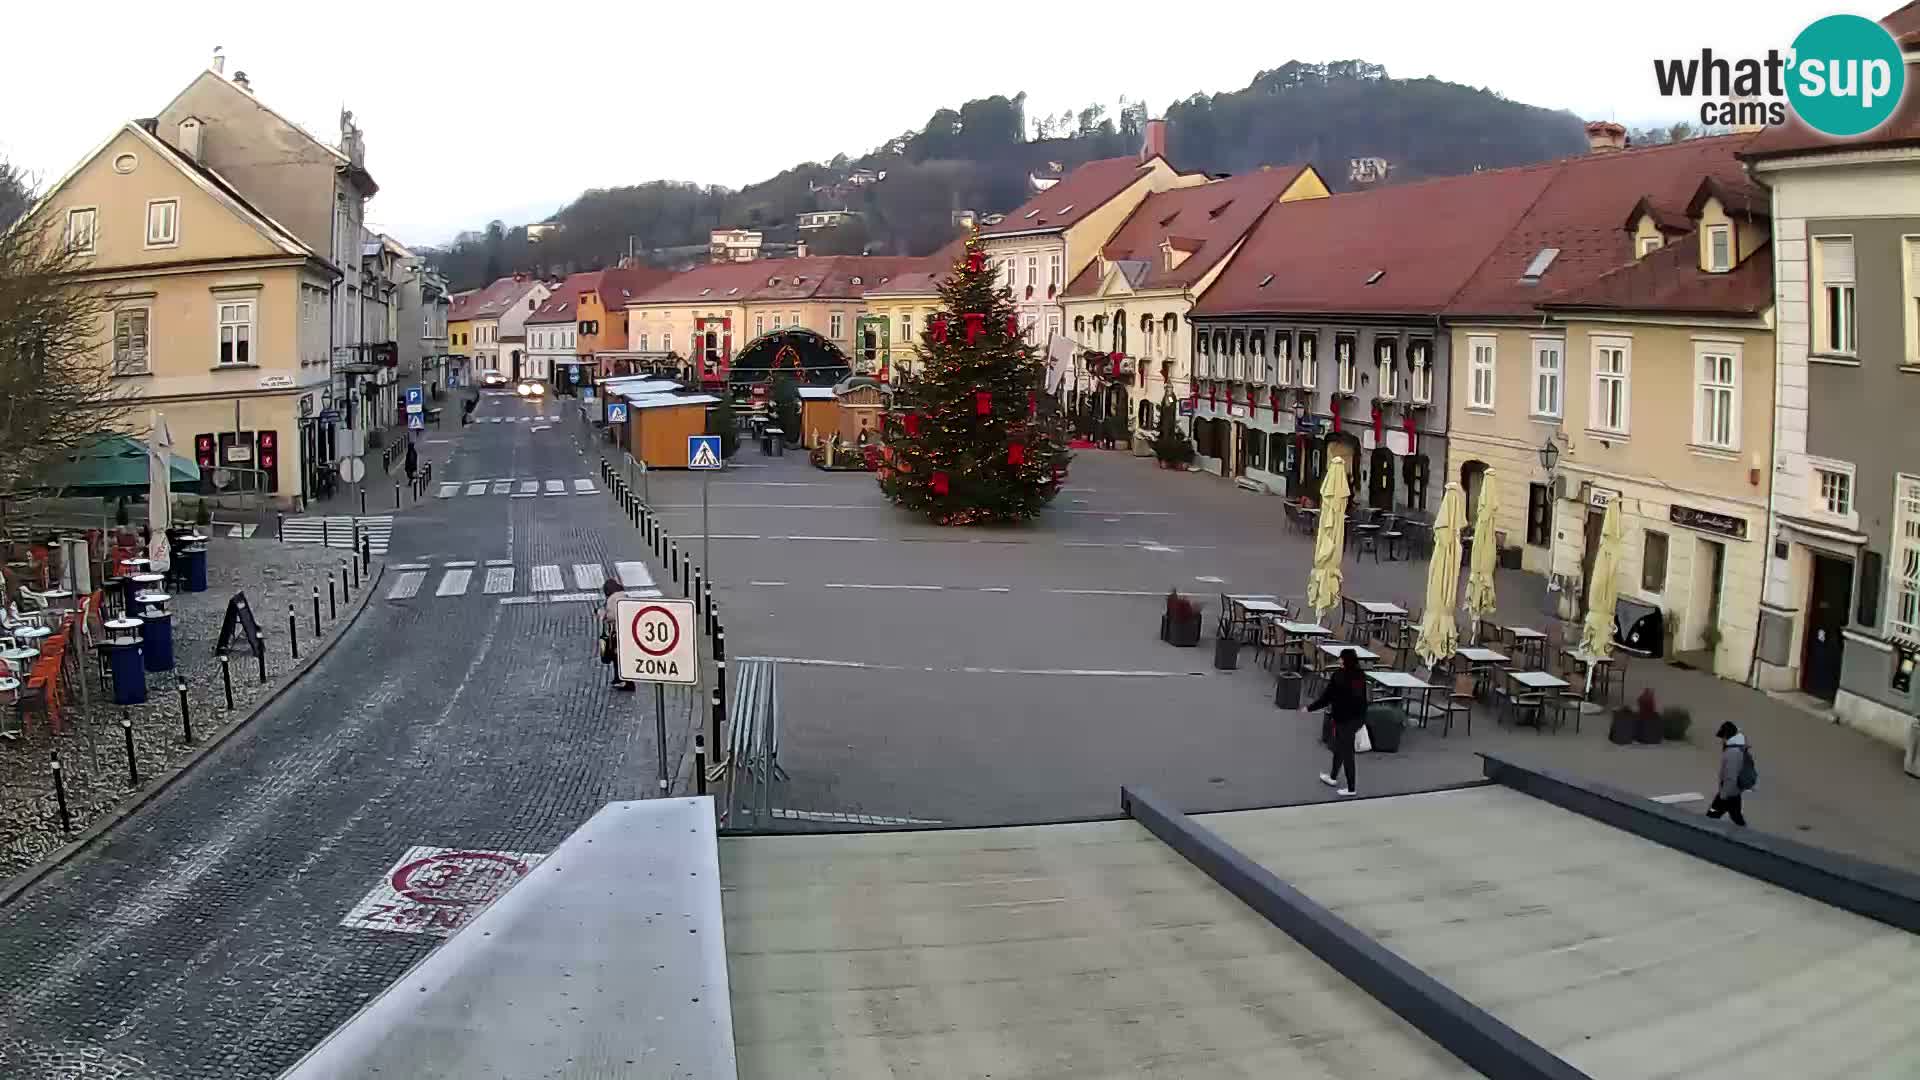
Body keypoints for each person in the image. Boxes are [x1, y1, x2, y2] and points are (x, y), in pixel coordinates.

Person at [1309, 648, 1370, 797]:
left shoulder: (1339, 676)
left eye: (1341, 658)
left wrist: (1310, 708)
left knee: (1347, 752)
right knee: (1339, 748)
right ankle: (1333, 777)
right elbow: (1361, 698)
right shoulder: (1360, 675)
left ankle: (1351, 788)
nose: (1339, 660)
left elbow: (1327, 697)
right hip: (1356, 718)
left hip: (1344, 718)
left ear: (1344, 660)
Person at [1708, 721, 1753, 826]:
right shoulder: (1739, 748)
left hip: (1728, 792)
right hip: (1734, 792)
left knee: (1711, 816)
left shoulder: (1732, 753)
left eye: (1723, 737)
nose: (1722, 740)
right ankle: (1744, 834)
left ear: (1727, 736)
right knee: (1736, 816)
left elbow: (1730, 777)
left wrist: (1723, 795)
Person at [598, 578, 636, 692]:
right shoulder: (623, 595)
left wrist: (602, 614)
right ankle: (619, 678)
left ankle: (626, 682)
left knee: (618, 657)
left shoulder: (613, 599)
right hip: (626, 631)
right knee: (619, 657)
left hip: (618, 633)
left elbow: (613, 616)